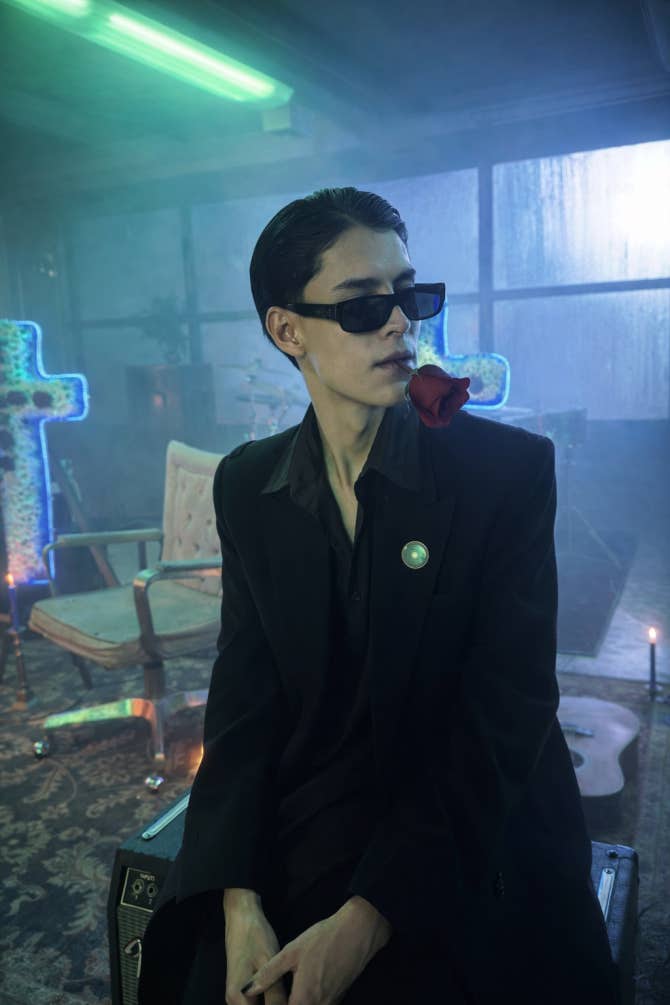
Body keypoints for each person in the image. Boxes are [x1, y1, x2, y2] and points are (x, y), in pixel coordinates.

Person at [137, 187, 621, 1005]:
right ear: (287, 330)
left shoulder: (504, 474)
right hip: (318, 802)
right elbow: (246, 699)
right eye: (364, 305)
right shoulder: (248, 484)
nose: (400, 321)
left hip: (465, 812)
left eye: (409, 295)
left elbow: (507, 712)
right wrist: (237, 897)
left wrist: (367, 918)